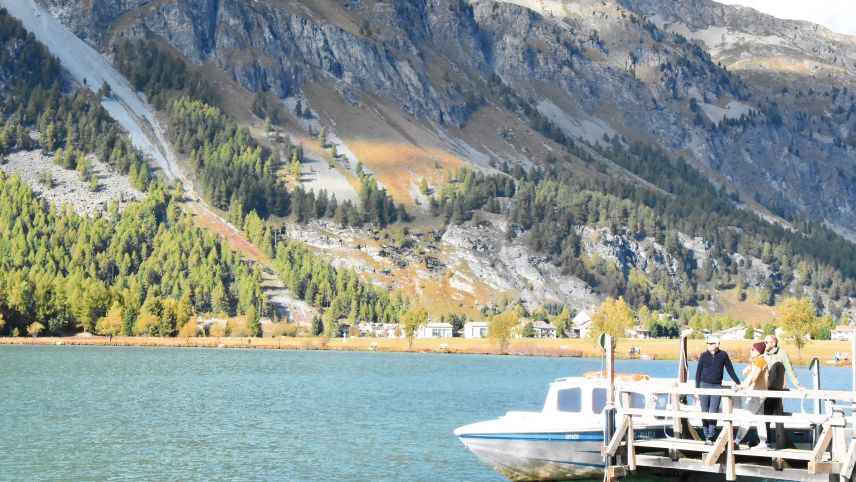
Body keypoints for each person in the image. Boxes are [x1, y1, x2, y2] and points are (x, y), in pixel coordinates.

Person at [695, 336, 741, 444]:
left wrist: (738, 383)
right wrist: (697, 389)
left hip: (716, 386)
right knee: (704, 411)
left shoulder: (723, 355)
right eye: (708, 343)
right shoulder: (703, 355)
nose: (709, 345)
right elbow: (698, 373)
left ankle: (711, 436)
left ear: (717, 344)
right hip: (704, 385)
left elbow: (730, 370)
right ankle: (706, 435)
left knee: (714, 411)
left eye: (711, 343)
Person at [763, 335, 802, 448]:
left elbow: (789, 370)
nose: (765, 344)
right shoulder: (764, 354)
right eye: (764, 342)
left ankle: (777, 442)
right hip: (764, 390)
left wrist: (798, 385)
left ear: (774, 343)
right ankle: (766, 441)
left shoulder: (782, 353)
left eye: (767, 342)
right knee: (764, 415)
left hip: (776, 390)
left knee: (775, 415)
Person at [734, 342, 769, 449]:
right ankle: (763, 443)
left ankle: (736, 441)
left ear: (758, 351)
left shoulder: (761, 361)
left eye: (752, 349)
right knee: (759, 419)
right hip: (758, 393)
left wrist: (742, 386)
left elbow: (753, 377)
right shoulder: (756, 362)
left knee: (747, 416)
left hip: (757, 394)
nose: (750, 351)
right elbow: (751, 375)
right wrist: (747, 370)